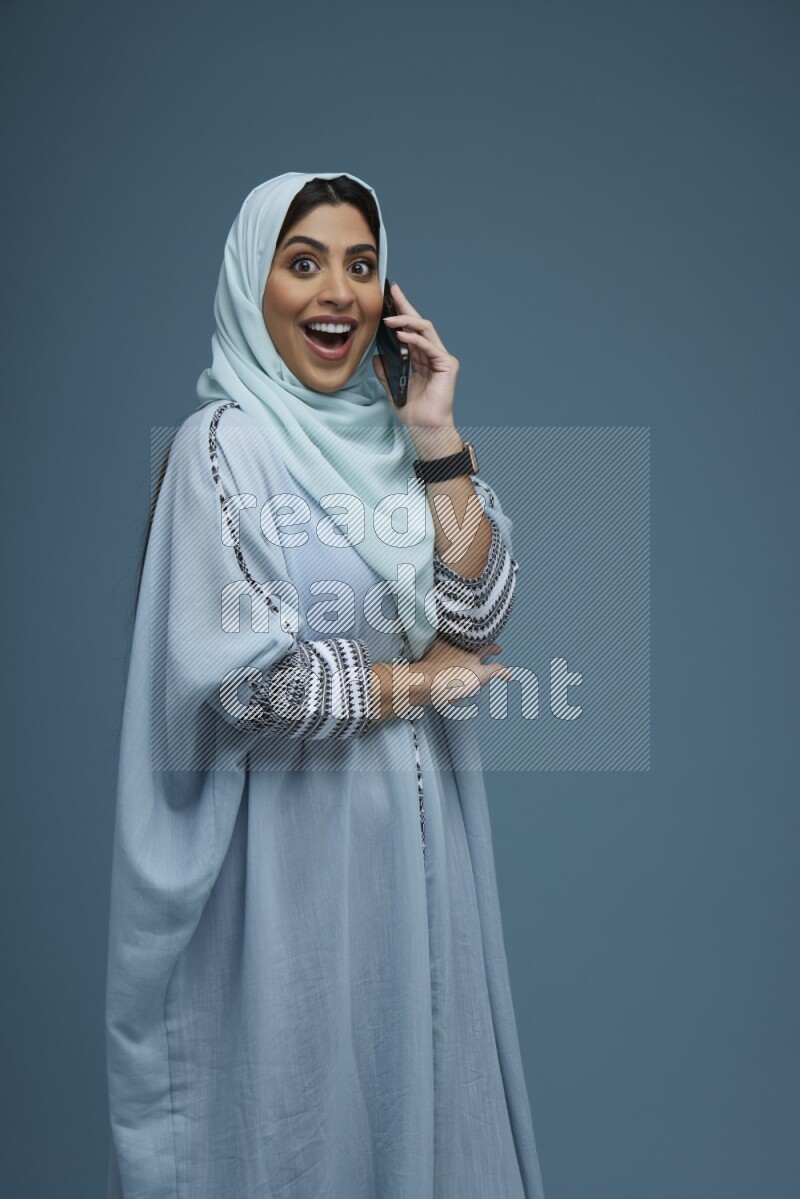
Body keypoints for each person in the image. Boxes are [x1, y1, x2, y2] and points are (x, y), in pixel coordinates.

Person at [104, 171, 547, 1199]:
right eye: (302, 262)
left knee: (420, 1113)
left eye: (360, 264)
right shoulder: (226, 446)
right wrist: (413, 682)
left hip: (421, 867)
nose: (336, 291)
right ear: (249, 285)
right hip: (292, 866)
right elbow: (248, 688)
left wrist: (436, 437)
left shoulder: (396, 443)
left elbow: (477, 619)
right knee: (309, 1130)